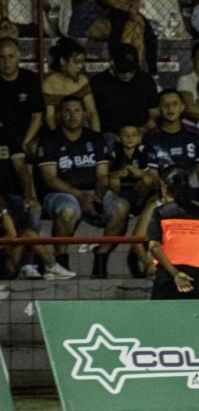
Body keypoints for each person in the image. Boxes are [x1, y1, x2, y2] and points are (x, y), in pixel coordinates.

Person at [37, 96, 130, 278]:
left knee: (122, 206)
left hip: (93, 190)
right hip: (60, 193)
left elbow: (103, 175)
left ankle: (101, 256)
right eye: (67, 111)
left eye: (77, 110)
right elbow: (49, 178)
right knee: (68, 210)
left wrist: (97, 196)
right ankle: (61, 261)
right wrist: (80, 196)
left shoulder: (95, 139)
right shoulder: (50, 140)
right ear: (59, 115)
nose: (72, 115)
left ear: (85, 114)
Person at [0, 127, 75, 280]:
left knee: (28, 233)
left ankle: (47, 266)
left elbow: (12, 234)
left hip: (6, 262)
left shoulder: (1, 208)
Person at [148, 167, 199, 299]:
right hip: (196, 281)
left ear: (165, 188)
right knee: (194, 319)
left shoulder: (160, 213)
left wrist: (175, 274)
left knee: (160, 319)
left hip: (166, 280)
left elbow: (154, 247)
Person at [144, 89, 199, 203]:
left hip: (191, 189)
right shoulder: (152, 138)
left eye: (174, 104)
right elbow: (153, 173)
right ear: (159, 109)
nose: (170, 108)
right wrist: (162, 194)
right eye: (165, 105)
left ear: (182, 107)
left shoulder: (194, 134)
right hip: (164, 192)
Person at [109, 122, 157, 277]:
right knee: (113, 181)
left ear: (139, 138)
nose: (129, 138)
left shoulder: (144, 151)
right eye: (125, 134)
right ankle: (121, 211)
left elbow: (151, 177)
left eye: (133, 135)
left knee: (148, 180)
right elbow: (106, 176)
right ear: (118, 137)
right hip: (121, 192)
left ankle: (136, 207)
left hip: (138, 192)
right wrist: (119, 173)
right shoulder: (114, 152)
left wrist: (136, 172)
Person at [67, 0, 158, 75]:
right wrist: (124, 6)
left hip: (118, 13)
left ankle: (133, 73)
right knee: (128, 24)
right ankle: (122, 69)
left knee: (135, 25)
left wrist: (133, 11)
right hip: (89, 12)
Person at [90, 43, 159, 146]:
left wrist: (145, 128)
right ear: (112, 63)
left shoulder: (145, 80)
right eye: (122, 71)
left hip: (140, 133)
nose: (127, 75)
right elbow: (91, 115)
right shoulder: (98, 83)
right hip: (111, 134)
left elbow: (154, 112)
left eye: (131, 71)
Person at [42, 38, 100, 131]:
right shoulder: (49, 84)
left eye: (82, 62)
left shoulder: (82, 81)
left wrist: (96, 137)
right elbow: (50, 117)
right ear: (63, 61)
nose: (80, 66)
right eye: (76, 62)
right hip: (60, 130)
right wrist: (57, 139)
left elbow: (92, 112)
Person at [0, 37, 43, 156]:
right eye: (2, 57)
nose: (6, 62)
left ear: (18, 57)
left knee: (35, 149)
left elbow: (37, 117)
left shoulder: (30, 79)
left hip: (29, 133)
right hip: (5, 134)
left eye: (10, 56)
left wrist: (24, 143)